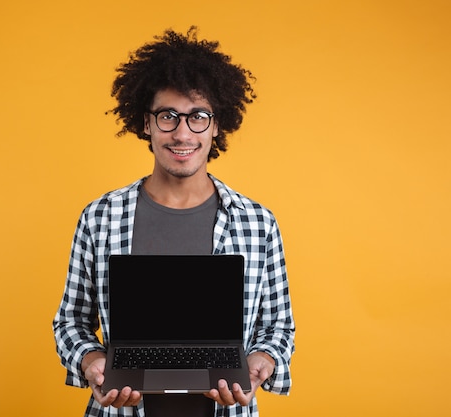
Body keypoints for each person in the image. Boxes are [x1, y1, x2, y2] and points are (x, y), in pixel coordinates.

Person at [53, 26, 295, 417]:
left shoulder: (258, 222)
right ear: (146, 123)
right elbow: (71, 321)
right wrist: (92, 360)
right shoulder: (99, 217)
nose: (182, 133)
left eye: (198, 116)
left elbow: (278, 327)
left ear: (216, 126)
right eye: (168, 116)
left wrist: (262, 360)